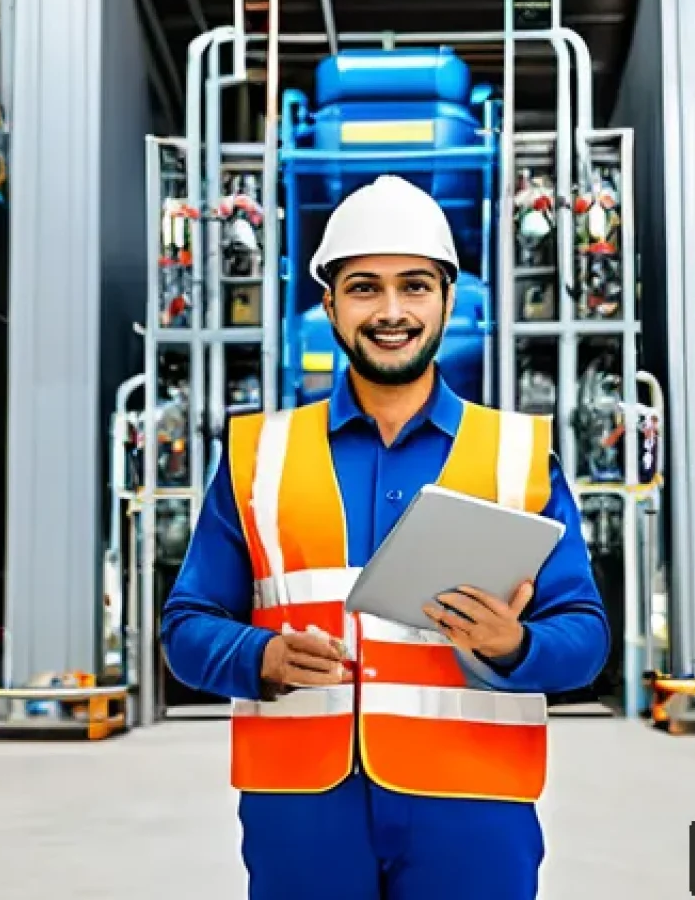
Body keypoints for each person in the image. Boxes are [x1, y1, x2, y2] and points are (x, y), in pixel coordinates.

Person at [161, 174, 611, 900]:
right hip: (303, 805)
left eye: (415, 286)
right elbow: (185, 629)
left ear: (448, 299)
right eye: (365, 287)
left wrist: (513, 646)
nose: (392, 311)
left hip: (474, 805)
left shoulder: (518, 456)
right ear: (330, 303)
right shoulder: (257, 455)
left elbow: (585, 638)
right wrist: (262, 654)